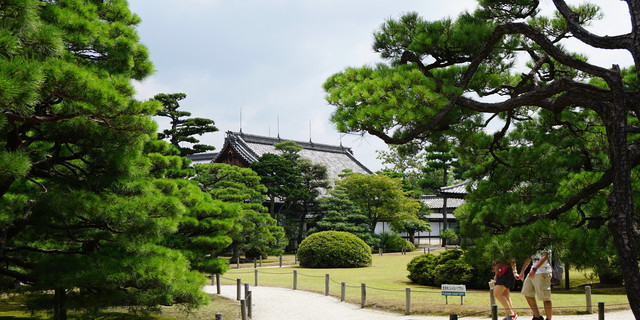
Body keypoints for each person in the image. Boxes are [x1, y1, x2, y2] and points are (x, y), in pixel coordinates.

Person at [519, 250, 553, 320]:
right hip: (533, 271)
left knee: (545, 298)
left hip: (543, 272)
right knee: (527, 292)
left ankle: (548, 319)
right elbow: (528, 258)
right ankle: (537, 317)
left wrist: (535, 269)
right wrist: (522, 271)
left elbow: (545, 256)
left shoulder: (544, 240)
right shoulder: (533, 242)